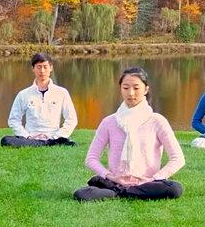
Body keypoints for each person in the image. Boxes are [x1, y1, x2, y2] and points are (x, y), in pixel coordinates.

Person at [74, 67, 184, 202]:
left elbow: (178, 158)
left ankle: (121, 193)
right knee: (81, 193)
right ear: (120, 89)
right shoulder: (109, 122)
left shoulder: (157, 121)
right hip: (116, 181)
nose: (131, 93)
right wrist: (111, 177)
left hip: (148, 183)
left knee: (174, 188)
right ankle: (125, 191)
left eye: (136, 88)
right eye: (126, 88)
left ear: (146, 89)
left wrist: (154, 178)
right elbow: (91, 159)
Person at [1, 52, 78, 147]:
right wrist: (27, 136)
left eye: (45, 67)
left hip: (53, 136)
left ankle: (50, 142)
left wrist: (57, 136)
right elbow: (13, 120)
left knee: (63, 139)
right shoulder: (23, 94)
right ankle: (46, 144)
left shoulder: (61, 93)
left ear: (51, 68)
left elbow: (71, 119)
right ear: (33, 69)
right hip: (30, 137)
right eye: (39, 67)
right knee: (5, 140)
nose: (42, 71)